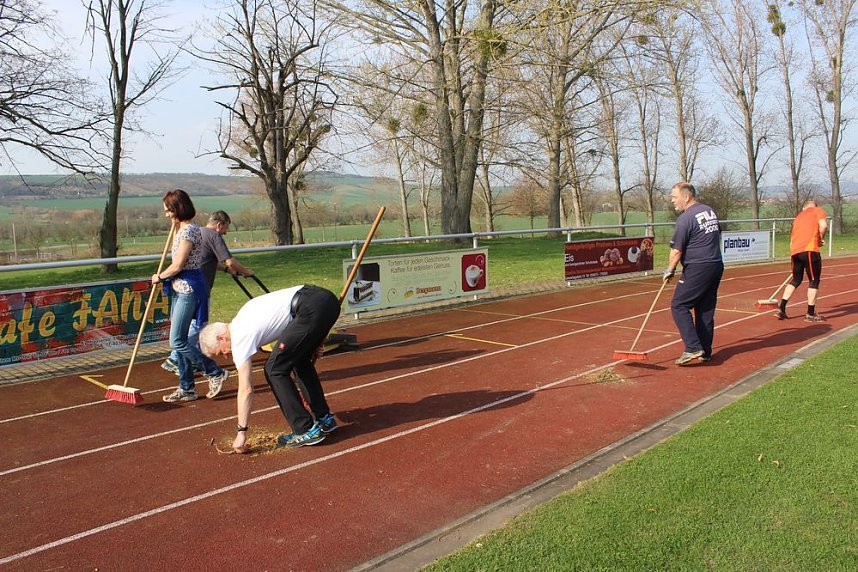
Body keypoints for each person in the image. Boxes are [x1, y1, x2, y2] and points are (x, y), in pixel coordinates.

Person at [199, 285, 341, 453]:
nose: (225, 356)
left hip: (310, 309)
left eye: (221, 352)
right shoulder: (244, 313)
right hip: (325, 300)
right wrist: (315, 340)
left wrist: (241, 432)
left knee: (274, 369)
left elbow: (246, 389)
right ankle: (324, 418)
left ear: (221, 337)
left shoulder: (239, 338)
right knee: (298, 359)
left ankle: (305, 429)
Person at [153, 190, 229, 402]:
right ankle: (187, 388)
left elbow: (178, 265)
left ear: (178, 208)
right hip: (179, 287)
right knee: (183, 339)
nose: (167, 214)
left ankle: (215, 372)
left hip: (189, 288)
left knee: (177, 341)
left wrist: (160, 277)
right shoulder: (180, 229)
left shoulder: (189, 232)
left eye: (169, 210)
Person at [162, 210, 253, 376]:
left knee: (190, 326)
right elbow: (230, 260)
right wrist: (247, 272)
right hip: (199, 288)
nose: (225, 232)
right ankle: (176, 358)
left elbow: (207, 261)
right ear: (219, 225)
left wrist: (226, 270)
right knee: (198, 326)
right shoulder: (214, 236)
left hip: (184, 287)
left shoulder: (197, 233)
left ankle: (182, 362)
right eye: (225, 228)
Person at [662, 181, 724, 365]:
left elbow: (676, 251)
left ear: (686, 197)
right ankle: (705, 350)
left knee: (679, 305)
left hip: (699, 267)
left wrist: (670, 270)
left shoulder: (685, 218)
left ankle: (693, 347)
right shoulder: (709, 211)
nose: (673, 201)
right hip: (715, 264)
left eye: (675, 197)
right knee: (705, 309)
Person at [776, 200, 828, 322]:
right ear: (814, 206)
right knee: (814, 280)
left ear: (804, 207)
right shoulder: (817, 210)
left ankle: (781, 308)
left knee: (796, 279)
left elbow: (792, 238)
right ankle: (810, 313)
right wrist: (821, 239)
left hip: (795, 251)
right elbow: (824, 225)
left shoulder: (798, 217)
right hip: (809, 249)